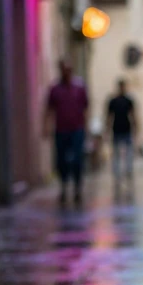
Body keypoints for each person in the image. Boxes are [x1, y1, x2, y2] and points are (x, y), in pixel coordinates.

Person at [44, 60, 89, 205]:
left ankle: (77, 188)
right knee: (61, 160)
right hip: (61, 130)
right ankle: (63, 187)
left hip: (77, 129)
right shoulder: (55, 89)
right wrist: (46, 126)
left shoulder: (79, 88)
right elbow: (49, 109)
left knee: (77, 159)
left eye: (69, 70)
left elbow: (85, 109)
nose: (66, 72)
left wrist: (86, 128)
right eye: (64, 70)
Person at [106, 79, 137, 182]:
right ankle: (116, 171)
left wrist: (135, 127)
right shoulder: (113, 101)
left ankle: (128, 169)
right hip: (116, 129)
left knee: (128, 151)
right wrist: (107, 129)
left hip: (126, 129)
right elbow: (109, 116)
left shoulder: (128, 101)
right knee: (116, 152)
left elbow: (133, 114)